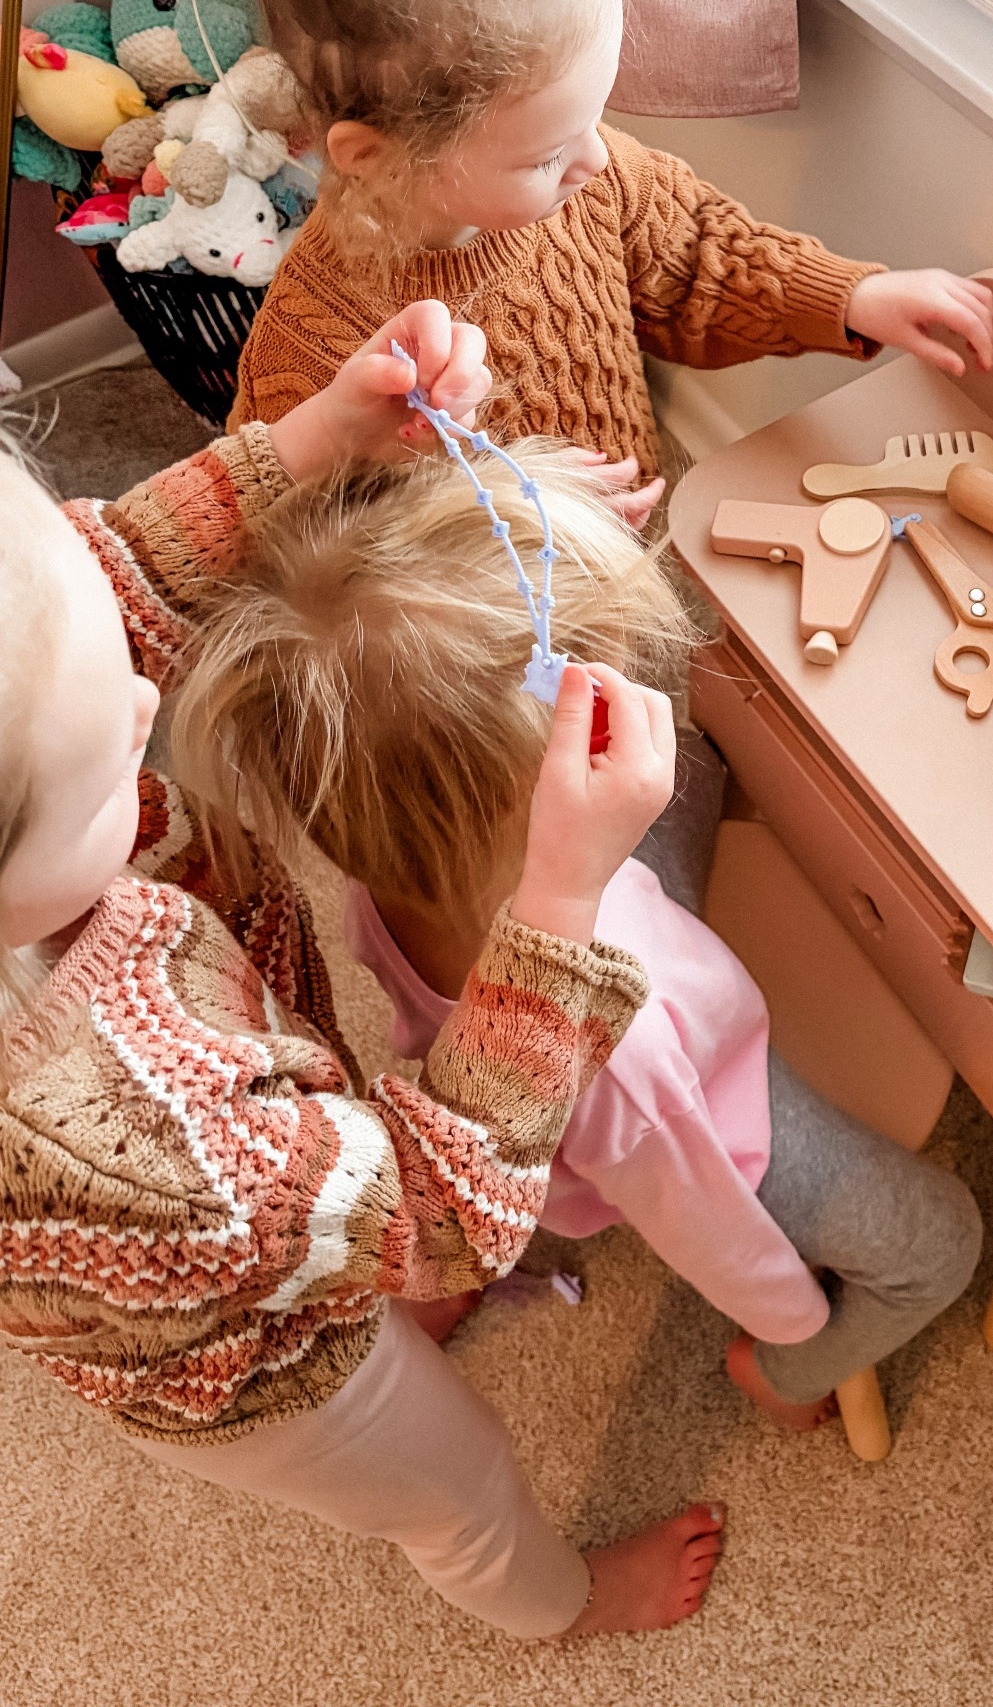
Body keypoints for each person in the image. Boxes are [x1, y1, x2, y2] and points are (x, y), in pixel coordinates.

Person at [0, 302, 724, 1639]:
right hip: (253, 1364)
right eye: (113, 755)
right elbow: (442, 1216)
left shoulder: (39, 737)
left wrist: (303, 444)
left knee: (340, 1222)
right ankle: (555, 1608)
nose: (153, 701)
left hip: (263, 1161)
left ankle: (339, 1258)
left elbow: (88, 588)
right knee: (453, 1484)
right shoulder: (136, 1137)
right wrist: (556, 897)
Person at [170, 406, 984, 1437]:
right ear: (537, 803)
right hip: (711, 1111)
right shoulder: (625, 1053)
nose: (633, 681)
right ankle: (778, 1374)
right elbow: (705, 1223)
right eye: (597, 681)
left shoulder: (391, 872)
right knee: (939, 1244)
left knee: (696, 767)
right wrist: (786, 1320)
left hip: (571, 1014)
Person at [179, 0, 993, 496]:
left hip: (632, 576)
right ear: (375, 155)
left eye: (591, 119)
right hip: (514, 621)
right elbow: (327, 581)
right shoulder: (314, 356)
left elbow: (699, 260)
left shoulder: (590, 187)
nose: (597, 161)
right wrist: (534, 524)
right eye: (543, 155)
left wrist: (856, 296)